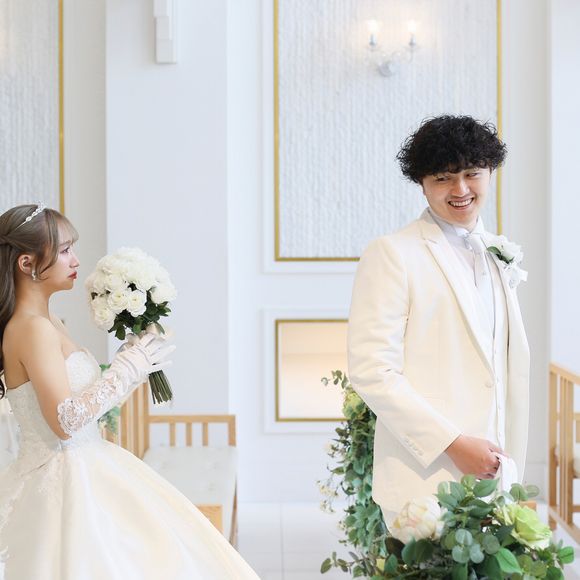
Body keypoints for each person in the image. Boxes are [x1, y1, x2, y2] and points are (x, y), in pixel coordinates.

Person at [0, 204, 259, 580]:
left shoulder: (48, 320)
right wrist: (125, 370)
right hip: (67, 482)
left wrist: (134, 367)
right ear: (27, 263)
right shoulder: (31, 327)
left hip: (90, 462)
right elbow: (64, 422)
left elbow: (83, 408)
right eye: (65, 250)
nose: (76, 260)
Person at [347, 115, 530, 525]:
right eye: (444, 178)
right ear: (422, 183)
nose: (461, 189)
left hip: (497, 476)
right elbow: (372, 371)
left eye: (472, 174)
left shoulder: (495, 252)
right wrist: (453, 443)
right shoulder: (393, 253)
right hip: (425, 480)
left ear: (490, 172)